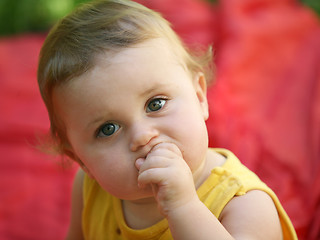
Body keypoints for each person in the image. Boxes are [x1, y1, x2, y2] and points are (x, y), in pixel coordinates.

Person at [37, 0, 297, 239]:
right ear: (82, 161)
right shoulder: (90, 189)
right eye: (108, 129)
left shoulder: (243, 202)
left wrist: (183, 207)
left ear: (199, 97)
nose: (142, 136)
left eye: (156, 104)